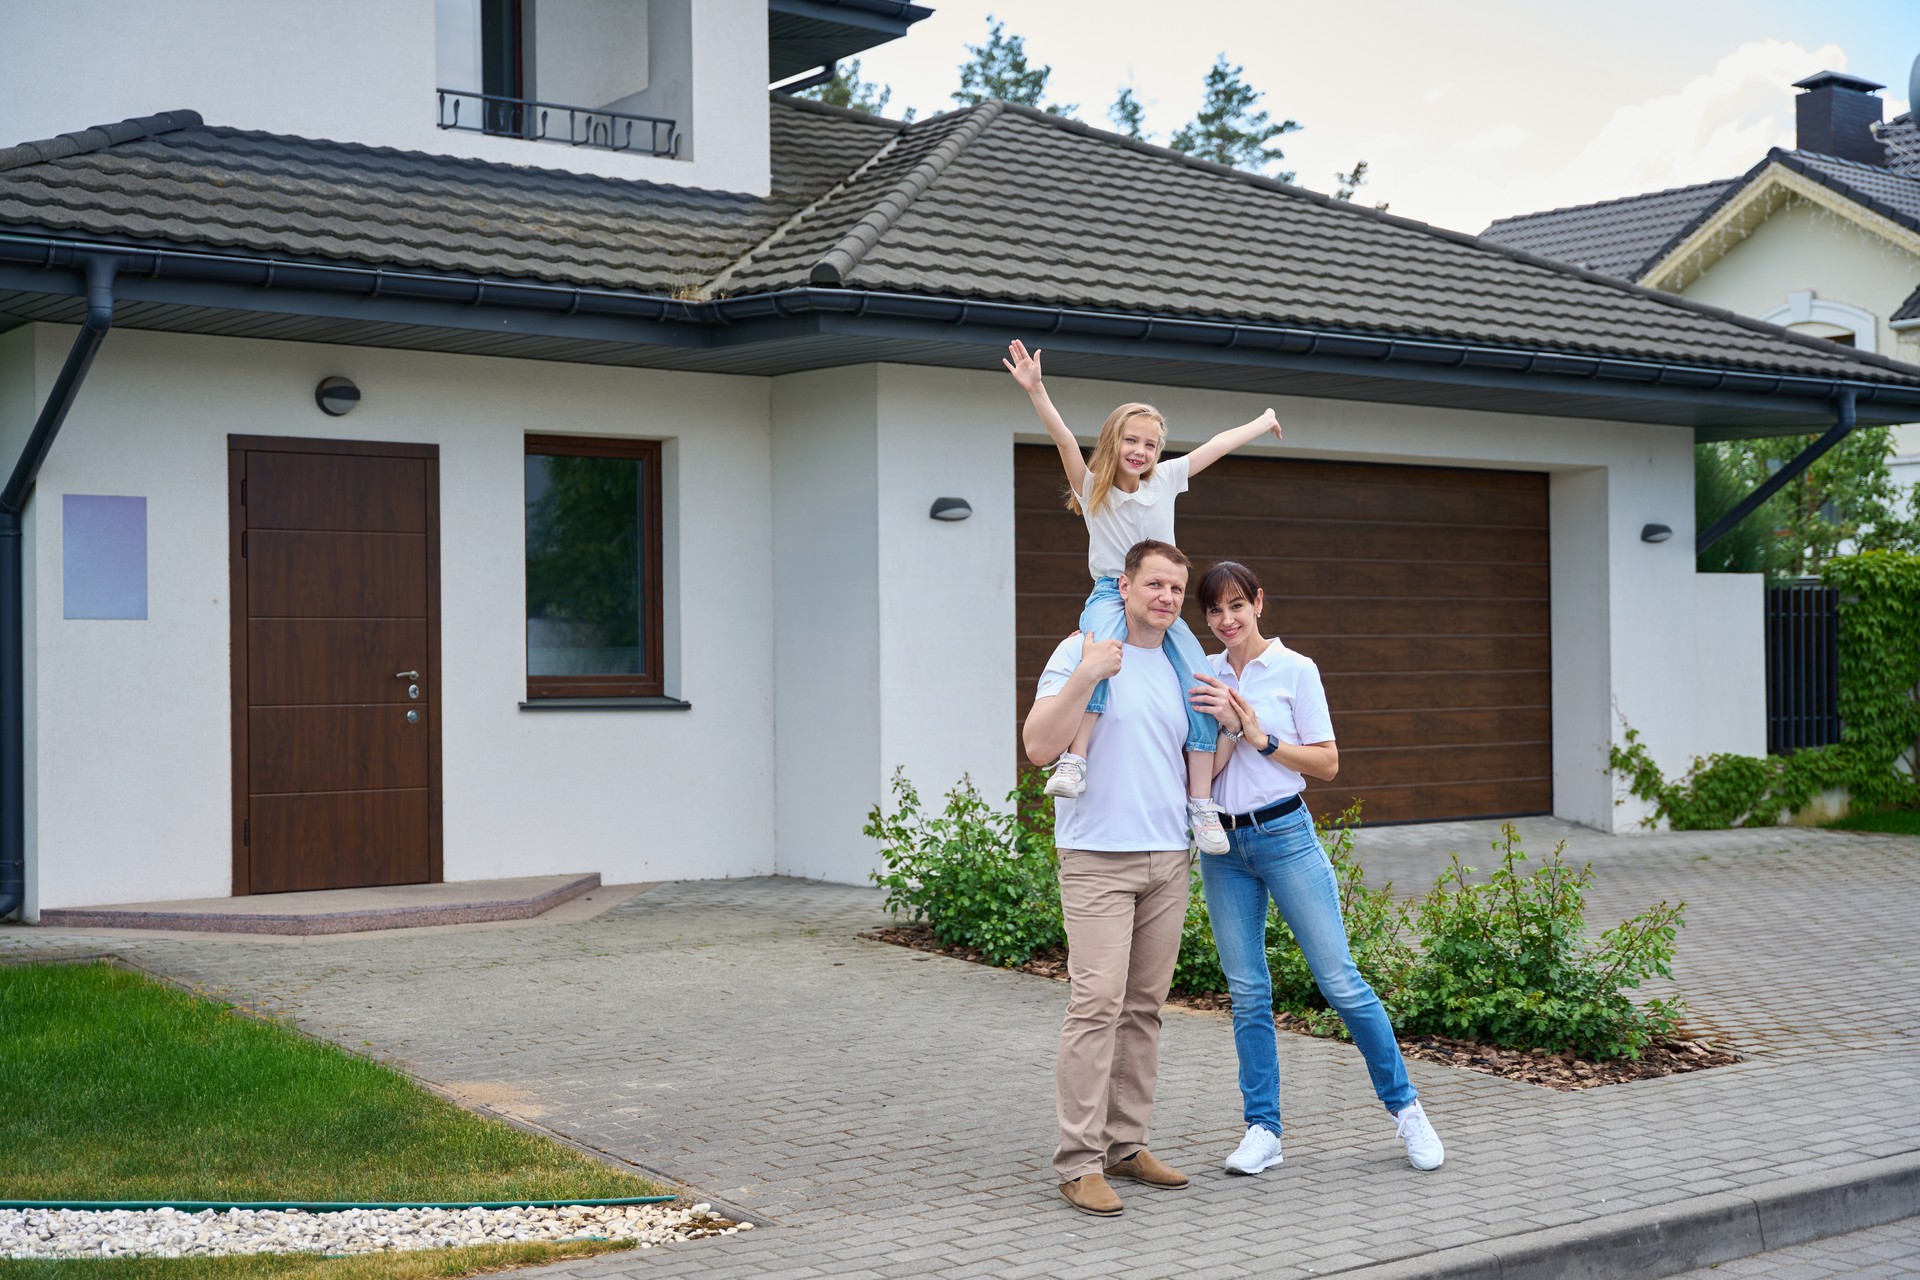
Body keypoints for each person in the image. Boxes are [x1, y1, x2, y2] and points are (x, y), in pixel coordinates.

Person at [1185, 560, 1445, 1176]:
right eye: (1215, 611)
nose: (1226, 620)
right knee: (1247, 992)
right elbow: (1202, 773)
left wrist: (1259, 735)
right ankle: (1263, 1130)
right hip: (1224, 846)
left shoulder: (1296, 670)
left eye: (1236, 606)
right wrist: (1225, 730)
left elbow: (1326, 765)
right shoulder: (1204, 676)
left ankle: (1408, 1111)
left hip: (1285, 834)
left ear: (1259, 603)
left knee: (1340, 980)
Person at [1004, 338, 1281, 856]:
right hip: (1112, 594)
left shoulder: (1169, 478)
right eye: (1132, 441)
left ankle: (1200, 801)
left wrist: (1263, 420)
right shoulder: (1093, 488)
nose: (1141, 452)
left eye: (1150, 445)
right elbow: (1063, 440)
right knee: (1102, 657)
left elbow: (1217, 445)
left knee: (1198, 676)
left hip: (1160, 597)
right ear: (1113, 442)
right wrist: (1037, 389)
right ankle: (1076, 759)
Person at [1023, 538, 1203, 1217]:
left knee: (1144, 1009)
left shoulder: (1181, 666)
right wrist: (1086, 673)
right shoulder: (1082, 651)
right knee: (1095, 1004)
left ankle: (1126, 1146)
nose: (1165, 598)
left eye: (1175, 590)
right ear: (1123, 587)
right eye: (1154, 584)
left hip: (1168, 857)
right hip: (1098, 857)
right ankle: (1077, 1162)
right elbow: (1040, 747)